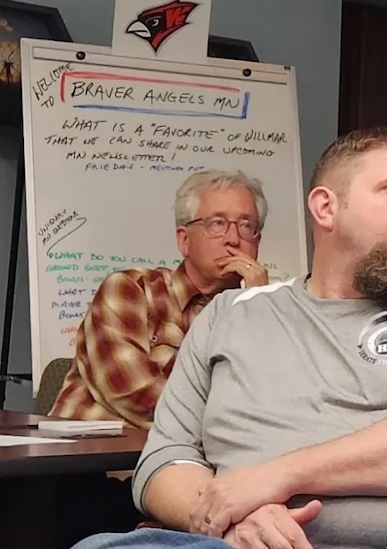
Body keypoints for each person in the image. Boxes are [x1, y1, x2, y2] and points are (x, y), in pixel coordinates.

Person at [52, 128, 387, 549]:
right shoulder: (229, 315)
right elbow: (165, 457)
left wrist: (277, 477)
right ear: (325, 207)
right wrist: (234, 519)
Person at [48, 170, 270, 430]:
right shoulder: (131, 290)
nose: (234, 239)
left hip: (205, 463)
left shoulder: (266, 309)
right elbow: (136, 394)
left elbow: (280, 401)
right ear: (184, 240)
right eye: (217, 224)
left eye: (246, 226)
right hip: (97, 460)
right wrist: (238, 421)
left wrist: (256, 308)